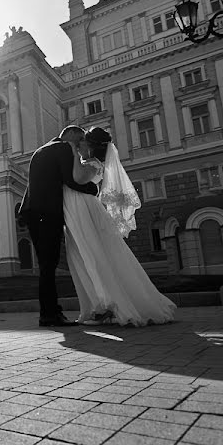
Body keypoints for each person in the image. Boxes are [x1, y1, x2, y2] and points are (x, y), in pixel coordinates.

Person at [65, 126, 176, 326]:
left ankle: (106, 306)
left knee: (94, 255)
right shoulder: (87, 162)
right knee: (83, 256)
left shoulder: (94, 164)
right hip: (78, 210)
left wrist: (72, 152)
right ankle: (95, 306)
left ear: (90, 146)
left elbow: (79, 179)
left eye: (81, 141)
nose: (78, 144)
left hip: (85, 211)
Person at [18, 125, 99, 327]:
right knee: (48, 265)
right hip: (47, 213)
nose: (79, 143)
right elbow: (71, 180)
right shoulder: (63, 148)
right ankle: (50, 314)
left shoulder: (41, 150)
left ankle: (50, 312)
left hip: (32, 212)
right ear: (69, 135)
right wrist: (93, 188)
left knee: (46, 265)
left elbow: (37, 184)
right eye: (79, 138)